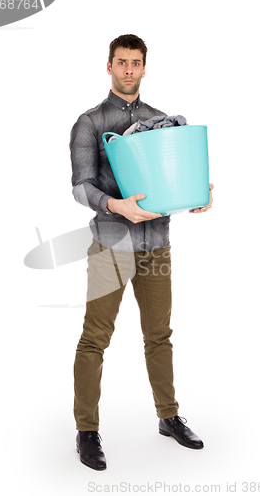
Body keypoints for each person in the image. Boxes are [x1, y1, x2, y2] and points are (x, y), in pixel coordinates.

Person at [69, 34, 214, 471]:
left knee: (159, 336)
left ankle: (168, 417)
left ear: (145, 68)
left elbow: (176, 174)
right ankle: (87, 430)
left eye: (136, 63)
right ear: (109, 66)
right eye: (121, 62)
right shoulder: (90, 122)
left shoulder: (161, 121)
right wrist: (116, 206)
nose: (128, 69)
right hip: (111, 245)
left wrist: (198, 191)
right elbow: (81, 186)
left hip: (157, 245)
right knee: (95, 339)